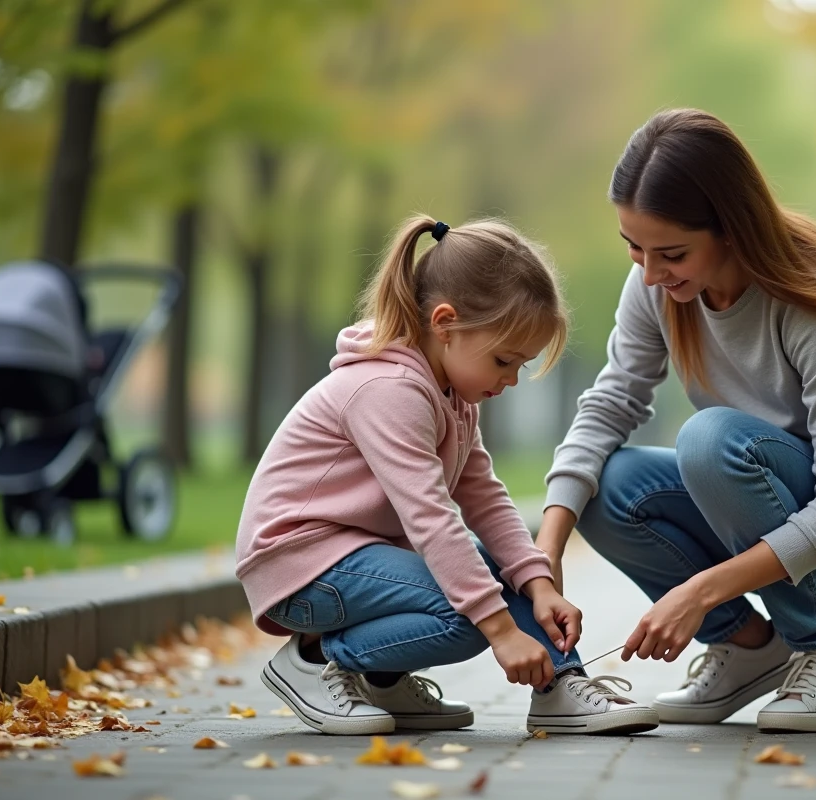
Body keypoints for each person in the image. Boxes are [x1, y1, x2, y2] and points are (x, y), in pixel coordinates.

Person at [537, 110, 816, 733]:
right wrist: (547, 553)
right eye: (634, 247)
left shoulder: (810, 302)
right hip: (777, 505)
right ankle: (752, 648)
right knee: (604, 486)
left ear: (731, 228)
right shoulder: (654, 286)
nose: (648, 272)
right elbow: (611, 402)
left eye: (671, 253)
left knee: (710, 440)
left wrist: (699, 594)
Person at [235, 215, 659, 736]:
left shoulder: (450, 393)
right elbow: (431, 518)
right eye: (505, 360)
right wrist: (502, 631)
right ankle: (316, 659)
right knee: (469, 616)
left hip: (353, 556)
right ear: (444, 323)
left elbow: (483, 496)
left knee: (493, 583)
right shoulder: (387, 390)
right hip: (301, 563)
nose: (511, 379)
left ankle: (555, 687)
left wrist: (537, 582)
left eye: (521, 366)